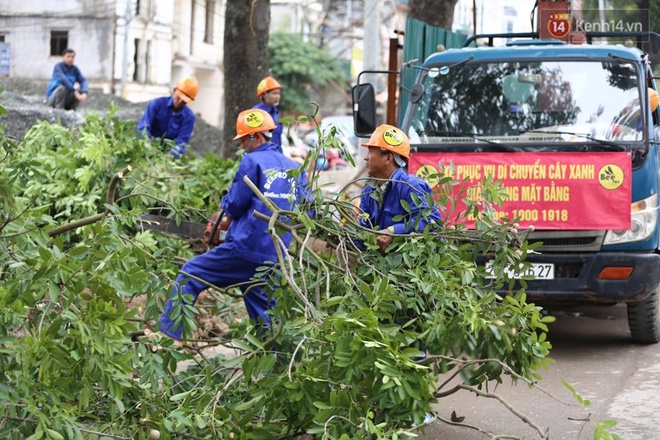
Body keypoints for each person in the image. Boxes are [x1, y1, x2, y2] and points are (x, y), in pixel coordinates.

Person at [157, 108, 310, 340]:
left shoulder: (252, 161)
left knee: (191, 274)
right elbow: (308, 207)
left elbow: (236, 204)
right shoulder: (295, 168)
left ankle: (168, 338)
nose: (241, 147)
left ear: (254, 137)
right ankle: (280, 363)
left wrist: (225, 205)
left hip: (245, 248)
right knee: (265, 316)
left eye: (242, 141)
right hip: (273, 254)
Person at [358, 124, 442, 252]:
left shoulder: (412, 187)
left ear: (388, 158)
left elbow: (432, 223)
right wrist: (344, 238)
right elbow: (362, 232)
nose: (366, 157)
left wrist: (393, 232)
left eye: (370, 151)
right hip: (384, 265)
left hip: (414, 265)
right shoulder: (368, 192)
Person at [137, 76, 198, 158]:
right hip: (148, 152)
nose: (180, 102)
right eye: (178, 97)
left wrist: (169, 157)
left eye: (183, 101)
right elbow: (143, 127)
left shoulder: (189, 117)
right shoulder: (156, 104)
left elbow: (181, 142)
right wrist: (148, 148)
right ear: (174, 90)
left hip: (169, 158)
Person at [254, 76, 284, 152]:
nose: (278, 97)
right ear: (264, 95)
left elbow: (278, 139)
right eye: (274, 93)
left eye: (278, 93)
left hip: (276, 154)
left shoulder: (276, 113)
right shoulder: (257, 113)